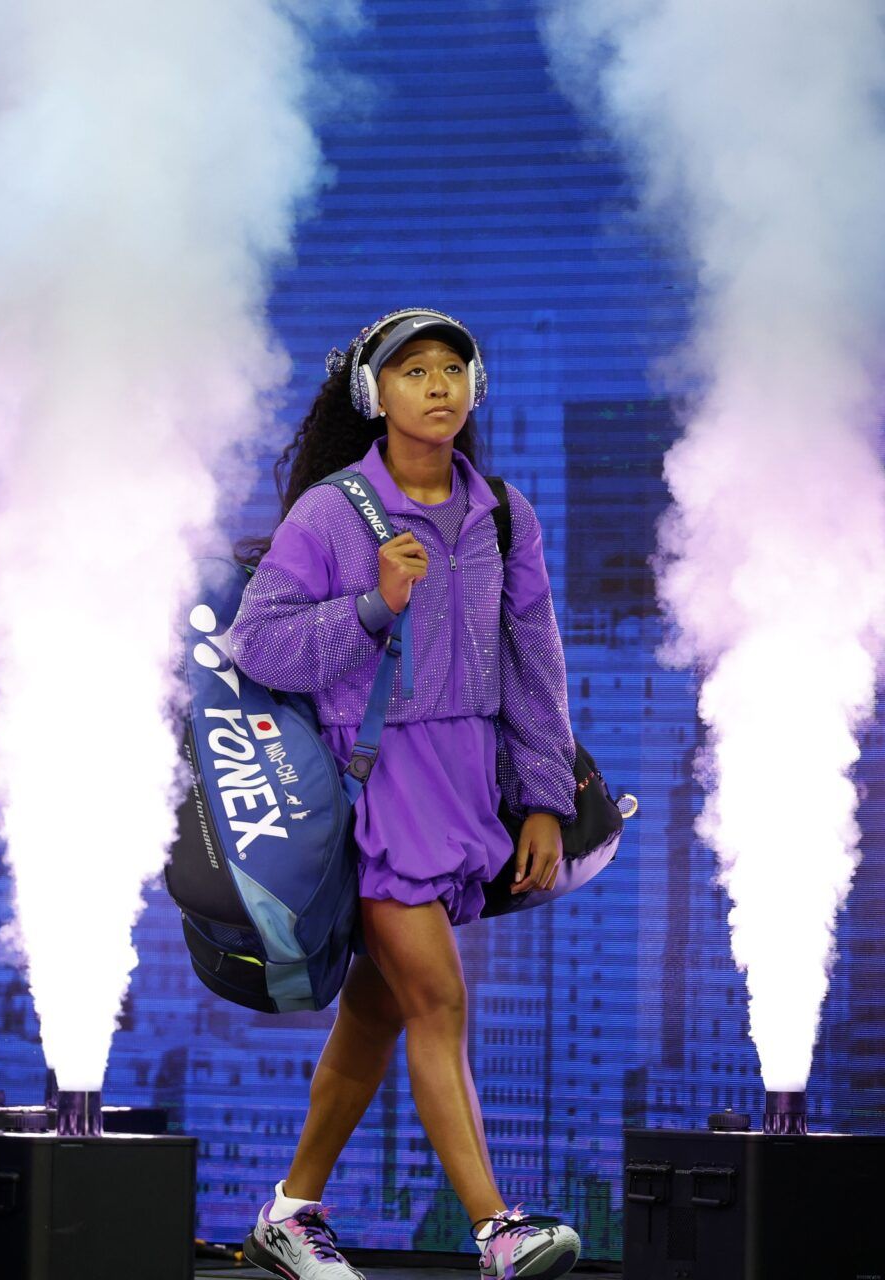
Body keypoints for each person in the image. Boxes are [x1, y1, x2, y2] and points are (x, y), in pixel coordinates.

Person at [228, 309, 582, 1280]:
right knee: (438, 997)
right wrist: (374, 604)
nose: (438, 385)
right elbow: (256, 644)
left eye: (453, 368)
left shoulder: (503, 512)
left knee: (375, 1016)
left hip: (464, 790)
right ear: (373, 394)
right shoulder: (332, 514)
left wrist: (544, 794)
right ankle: (497, 1226)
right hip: (374, 794)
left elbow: (535, 663)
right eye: (413, 370)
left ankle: (290, 1213)